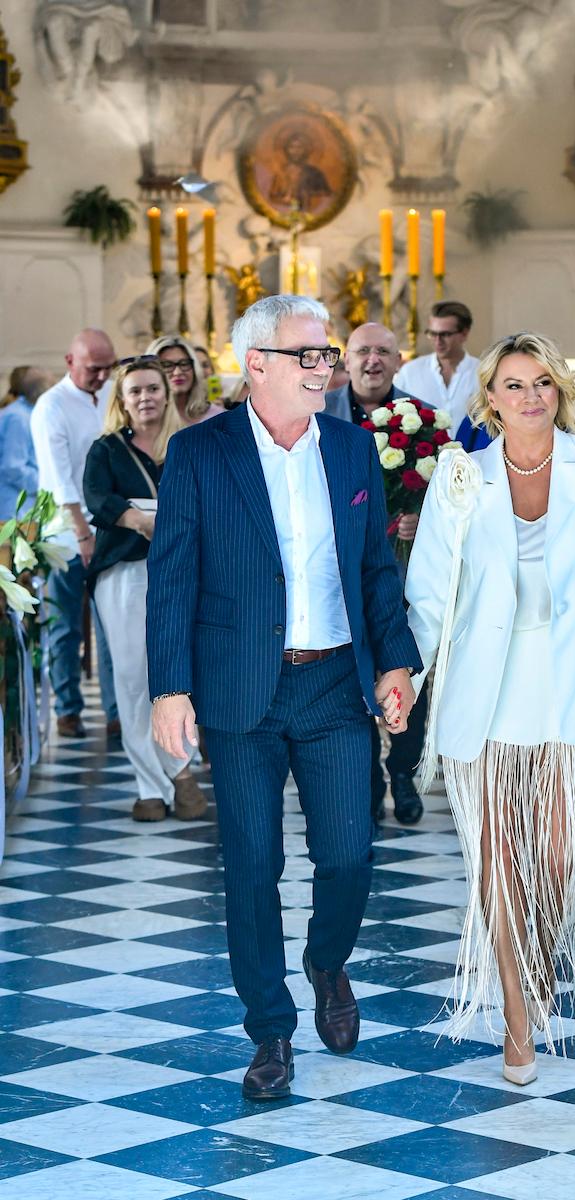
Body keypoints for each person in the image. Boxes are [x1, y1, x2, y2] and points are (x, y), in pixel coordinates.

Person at [147, 295, 421, 1102]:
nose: (323, 366)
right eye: (307, 354)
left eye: (325, 353)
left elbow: (375, 570)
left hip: (333, 684)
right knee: (252, 865)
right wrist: (170, 687)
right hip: (240, 692)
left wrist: (395, 665)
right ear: (256, 364)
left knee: (349, 854)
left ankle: (326, 962)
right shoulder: (200, 452)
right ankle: (270, 1028)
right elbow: (172, 578)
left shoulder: (351, 447)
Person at [405, 331, 575, 1083]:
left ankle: (538, 957)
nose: (529, 397)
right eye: (514, 385)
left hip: (565, 681)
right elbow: (429, 590)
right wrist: (406, 678)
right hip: (483, 686)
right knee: (498, 862)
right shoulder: (461, 474)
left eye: (542, 382)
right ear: (490, 397)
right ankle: (517, 1018)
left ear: (560, 391)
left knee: (555, 855)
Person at [83, 357, 207, 823]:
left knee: (178, 674)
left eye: (152, 388)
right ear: (122, 399)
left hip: (183, 572)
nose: (145, 397)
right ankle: (160, 783)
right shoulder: (106, 449)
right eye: (134, 390)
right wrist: (140, 519)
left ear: (166, 392)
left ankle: (180, 763)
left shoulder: (187, 444)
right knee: (135, 680)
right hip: (125, 574)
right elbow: (98, 498)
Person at [326, 321, 431, 826]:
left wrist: (423, 516)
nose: (372, 361)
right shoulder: (316, 411)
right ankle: (365, 781)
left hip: (404, 572)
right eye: (362, 351)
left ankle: (404, 774)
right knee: (350, 677)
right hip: (337, 573)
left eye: (383, 352)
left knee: (408, 670)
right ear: (345, 360)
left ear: (398, 361)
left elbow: (454, 495)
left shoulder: (426, 420)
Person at [30, 329, 119, 739]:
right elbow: (58, 478)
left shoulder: (112, 393)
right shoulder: (51, 406)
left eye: (108, 368)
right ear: (70, 362)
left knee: (111, 626)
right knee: (65, 626)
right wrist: (83, 534)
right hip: (65, 534)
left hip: (109, 529)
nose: (102, 376)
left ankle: (117, 712)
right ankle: (67, 708)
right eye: (93, 369)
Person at [394, 300, 479, 435]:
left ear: (464, 333)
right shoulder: (410, 372)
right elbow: (394, 415)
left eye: (445, 334)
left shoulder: (482, 372)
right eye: (433, 334)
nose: (438, 341)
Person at [0, 367, 53, 518]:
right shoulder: (18, 418)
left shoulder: (30, 412)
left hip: (25, 505)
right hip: (13, 509)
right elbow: (13, 468)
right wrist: (47, 484)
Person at [145, 335, 224, 426]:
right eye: (167, 365)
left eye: (184, 364)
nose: (177, 372)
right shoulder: (145, 420)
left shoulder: (217, 417)